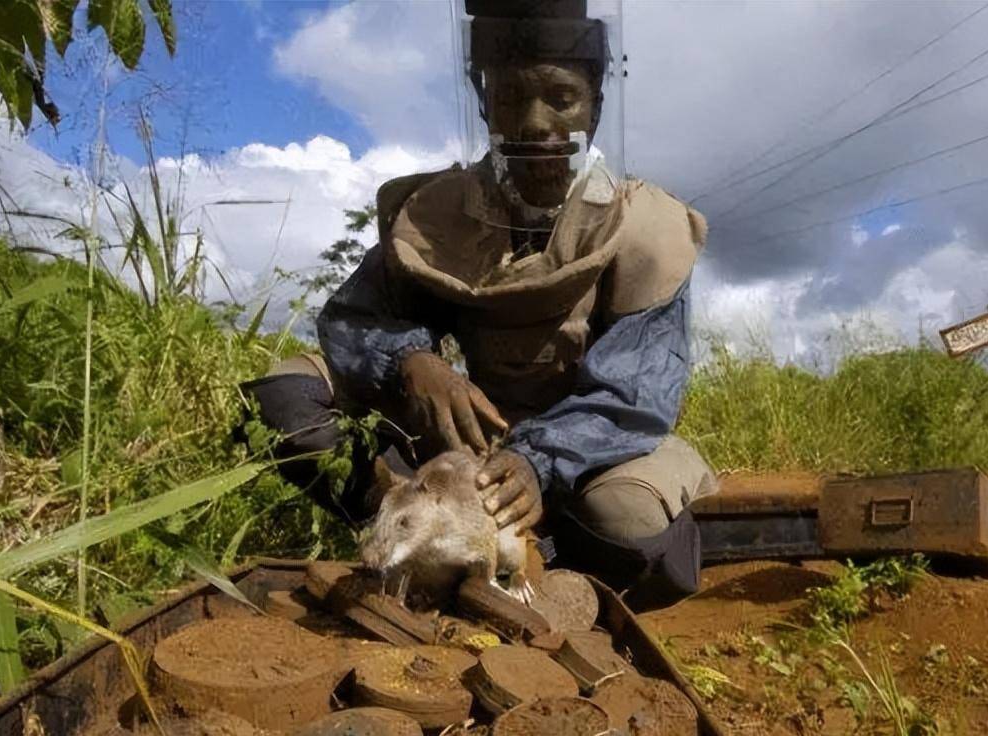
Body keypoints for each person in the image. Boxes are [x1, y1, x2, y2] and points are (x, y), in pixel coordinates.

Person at [242, 0, 717, 610]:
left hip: (593, 452)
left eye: (561, 97)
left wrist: (536, 462)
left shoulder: (648, 228)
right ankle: (414, 538)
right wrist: (411, 361)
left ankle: (545, 551)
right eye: (511, 97)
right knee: (282, 400)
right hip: (469, 450)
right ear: (482, 98)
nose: (535, 123)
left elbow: (635, 396)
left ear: (596, 104)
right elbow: (354, 319)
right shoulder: (438, 213)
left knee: (624, 521)